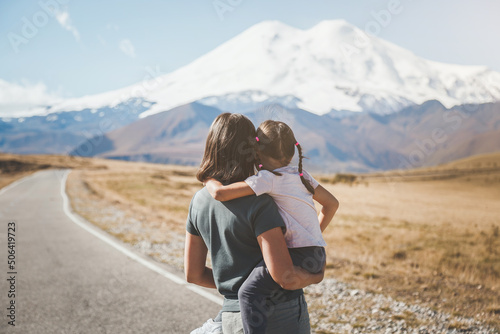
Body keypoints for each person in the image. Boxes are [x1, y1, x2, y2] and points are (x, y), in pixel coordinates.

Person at [185, 113, 325, 334]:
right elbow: (285, 277)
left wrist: (233, 285)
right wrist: (314, 277)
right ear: (252, 150)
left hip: (231, 316)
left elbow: (193, 274)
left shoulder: (199, 201)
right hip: (279, 314)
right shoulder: (261, 202)